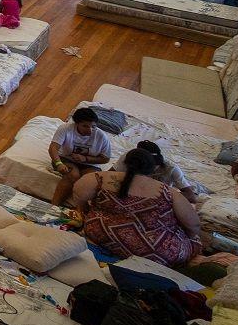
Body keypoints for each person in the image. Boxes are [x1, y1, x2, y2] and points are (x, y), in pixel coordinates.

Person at [73, 145, 202, 266]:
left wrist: (88, 213)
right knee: (197, 240)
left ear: (125, 163)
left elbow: (79, 197)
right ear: (153, 168)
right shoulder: (168, 192)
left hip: (99, 235)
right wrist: (189, 238)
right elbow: (193, 225)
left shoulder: (98, 178)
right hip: (153, 252)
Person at [48, 107, 113, 205]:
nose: (90, 130)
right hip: (66, 159)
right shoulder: (65, 129)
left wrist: (86, 158)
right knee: (73, 175)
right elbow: (53, 148)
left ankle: (80, 212)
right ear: (76, 124)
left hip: (89, 164)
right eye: (85, 126)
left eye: (93, 126)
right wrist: (58, 163)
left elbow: (105, 159)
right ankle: (54, 206)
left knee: (91, 181)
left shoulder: (101, 136)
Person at [114, 139, 199, 205]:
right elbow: (108, 175)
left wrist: (163, 197)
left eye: (156, 164)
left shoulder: (170, 168)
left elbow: (191, 196)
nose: (155, 167)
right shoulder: (128, 158)